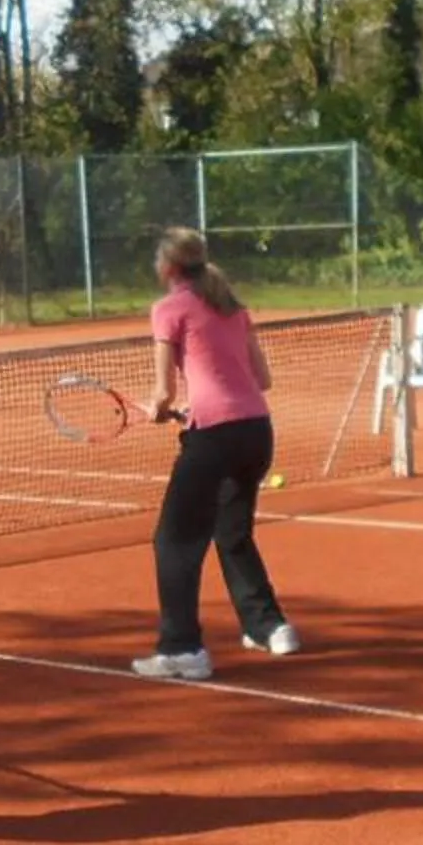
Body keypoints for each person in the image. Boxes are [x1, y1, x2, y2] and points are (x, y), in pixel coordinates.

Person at [130, 228, 298, 682]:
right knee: (232, 531)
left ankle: (182, 649)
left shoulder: (168, 309)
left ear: (167, 268)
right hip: (256, 432)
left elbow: (163, 391)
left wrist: (159, 410)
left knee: (174, 542)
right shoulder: (232, 307)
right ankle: (270, 627)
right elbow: (260, 381)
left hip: (215, 436)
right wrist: (185, 408)